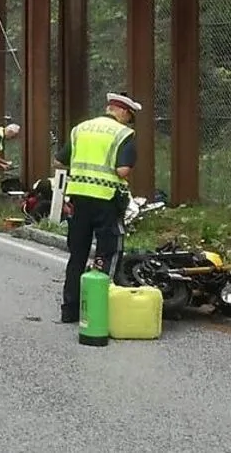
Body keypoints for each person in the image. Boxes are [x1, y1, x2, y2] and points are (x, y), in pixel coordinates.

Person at [54, 91, 140, 323]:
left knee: (77, 255)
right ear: (123, 111)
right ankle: (99, 310)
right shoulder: (124, 134)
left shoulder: (80, 129)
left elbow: (59, 160)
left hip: (78, 200)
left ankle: (70, 310)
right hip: (107, 201)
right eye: (129, 116)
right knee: (108, 252)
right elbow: (123, 170)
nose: (128, 121)